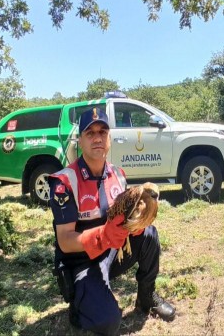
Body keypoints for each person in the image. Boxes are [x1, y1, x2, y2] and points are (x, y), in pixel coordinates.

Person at [48, 107, 175, 335]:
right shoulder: (64, 182)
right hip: (80, 261)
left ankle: (146, 298)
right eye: (90, 133)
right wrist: (103, 235)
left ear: (109, 138)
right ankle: (78, 305)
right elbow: (65, 241)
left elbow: (123, 216)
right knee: (108, 322)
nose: (97, 138)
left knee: (149, 234)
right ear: (80, 140)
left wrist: (135, 224)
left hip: (110, 252)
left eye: (103, 132)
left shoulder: (118, 174)